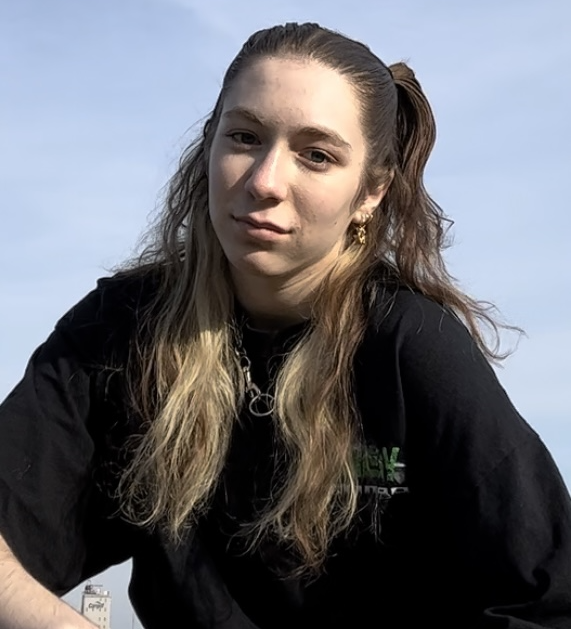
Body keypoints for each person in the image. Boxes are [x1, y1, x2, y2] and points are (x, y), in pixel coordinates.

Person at [0, 21, 570, 629]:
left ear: (372, 192)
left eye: (316, 155)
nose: (265, 181)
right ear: (209, 147)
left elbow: (547, 603)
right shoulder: (126, 330)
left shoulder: (409, 347)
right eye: (244, 137)